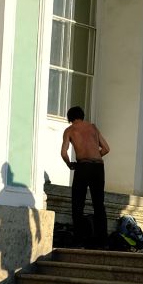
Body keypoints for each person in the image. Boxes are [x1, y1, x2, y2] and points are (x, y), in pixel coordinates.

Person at [60, 105, 111, 248]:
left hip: (82, 167)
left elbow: (64, 153)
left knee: (78, 204)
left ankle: (79, 240)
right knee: (99, 204)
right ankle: (103, 242)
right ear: (82, 116)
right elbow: (106, 148)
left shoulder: (70, 130)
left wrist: (70, 164)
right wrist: (94, 157)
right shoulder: (93, 128)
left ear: (70, 118)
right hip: (98, 167)